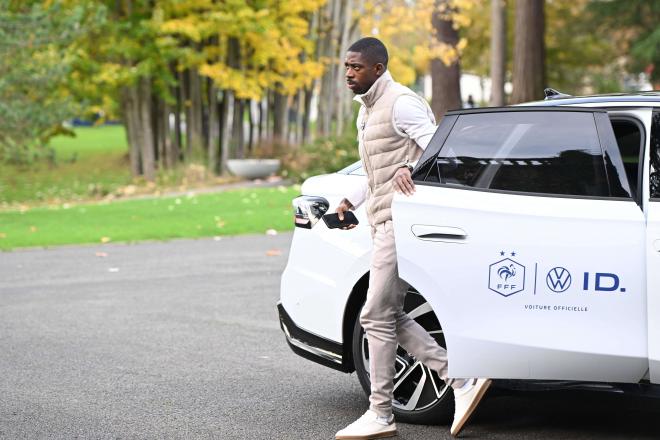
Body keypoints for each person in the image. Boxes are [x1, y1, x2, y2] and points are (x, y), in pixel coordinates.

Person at [334, 37, 491, 440]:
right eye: (346, 66)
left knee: (374, 315)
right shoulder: (367, 110)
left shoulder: (402, 102)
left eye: (355, 67)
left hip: (403, 224)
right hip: (383, 219)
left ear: (378, 69)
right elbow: (378, 170)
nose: (348, 73)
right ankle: (460, 378)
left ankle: (381, 413)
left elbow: (441, 151)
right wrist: (349, 199)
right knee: (385, 313)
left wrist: (411, 167)